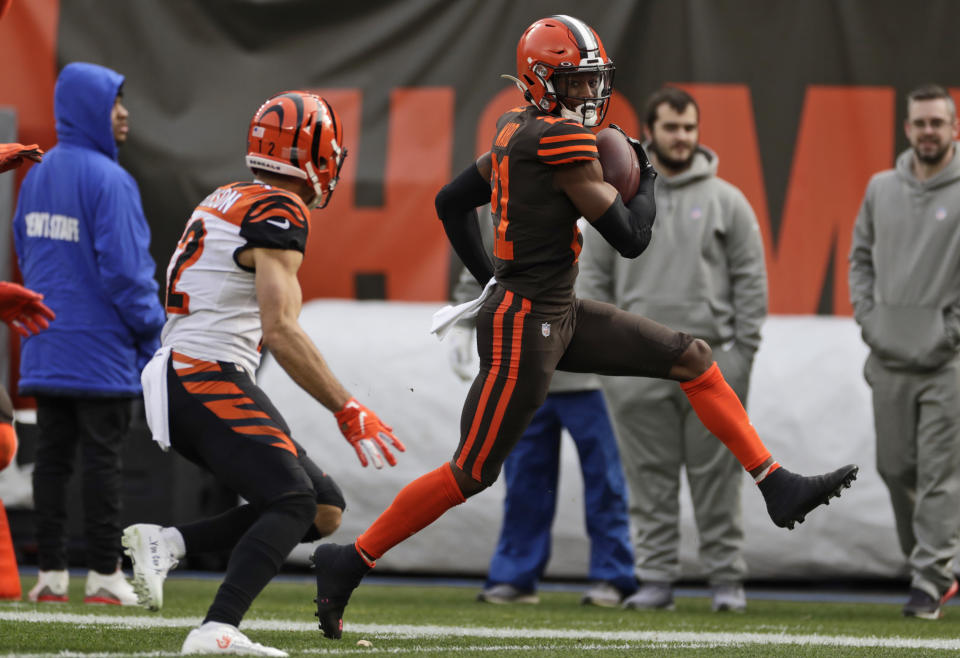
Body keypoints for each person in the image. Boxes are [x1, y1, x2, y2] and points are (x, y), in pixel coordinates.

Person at [311, 15, 857, 638]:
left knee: (691, 356)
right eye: (575, 84)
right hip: (526, 323)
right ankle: (349, 559)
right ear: (542, 82)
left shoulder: (514, 130)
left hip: (555, 310)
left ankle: (774, 481)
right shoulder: (560, 144)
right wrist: (646, 180)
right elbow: (630, 239)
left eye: (592, 82)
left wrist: (493, 273)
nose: (589, 96)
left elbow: (450, 203)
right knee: (472, 471)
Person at [121, 90, 405, 657]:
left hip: (193, 372)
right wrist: (347, 407)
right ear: (314, 153)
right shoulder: (280, 209)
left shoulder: (230, 195)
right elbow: (281, 329)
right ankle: (216, 628)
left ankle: (168, 542)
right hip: (204, 373)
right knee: (292, 501)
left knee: (323, 507)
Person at [579, 87, 766, 612]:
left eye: (689, 127)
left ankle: (726, 582)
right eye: (671, 128)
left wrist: (742, 356)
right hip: (636, 371)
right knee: (649, 481)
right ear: (652, 133)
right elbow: (594, 281)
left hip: (711, 369)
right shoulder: (616, 197)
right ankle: (656, 580)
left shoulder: (728, 200)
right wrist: (611, 361)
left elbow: (752, 284)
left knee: (718, 479)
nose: (681, 137)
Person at [13, 62, 165, 606]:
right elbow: (127, 274)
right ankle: (104, 575)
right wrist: (154, 335)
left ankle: (50, 576)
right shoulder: (112, 181)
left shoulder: (35, 175)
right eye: (113, 103)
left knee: (51, 463)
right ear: (88, 109)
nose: (123, 113)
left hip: (45, 346)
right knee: (103, 464)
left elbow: (28, 257)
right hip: (102, 353)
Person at [449, 210, 635, 607]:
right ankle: (516, 575)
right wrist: (464, 320)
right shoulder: (511, 183)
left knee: (606, 480)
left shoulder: (605, 188)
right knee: (524, 479)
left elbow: (636, 268)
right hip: (527, 356)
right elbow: (481, 260)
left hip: (592, 366)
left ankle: (613, 574)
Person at [849, 83, 960, 620]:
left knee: (941, 473)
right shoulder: (879, 188)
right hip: (888, 357)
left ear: (954, 127)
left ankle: (930, 578)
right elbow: (860, 260)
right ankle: (934, 562)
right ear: (908, 128)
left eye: (937, 122)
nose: (928, 132)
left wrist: (950, 333)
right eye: (920, 123)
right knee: (895, 470)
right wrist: (870, 321)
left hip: (948, 364)